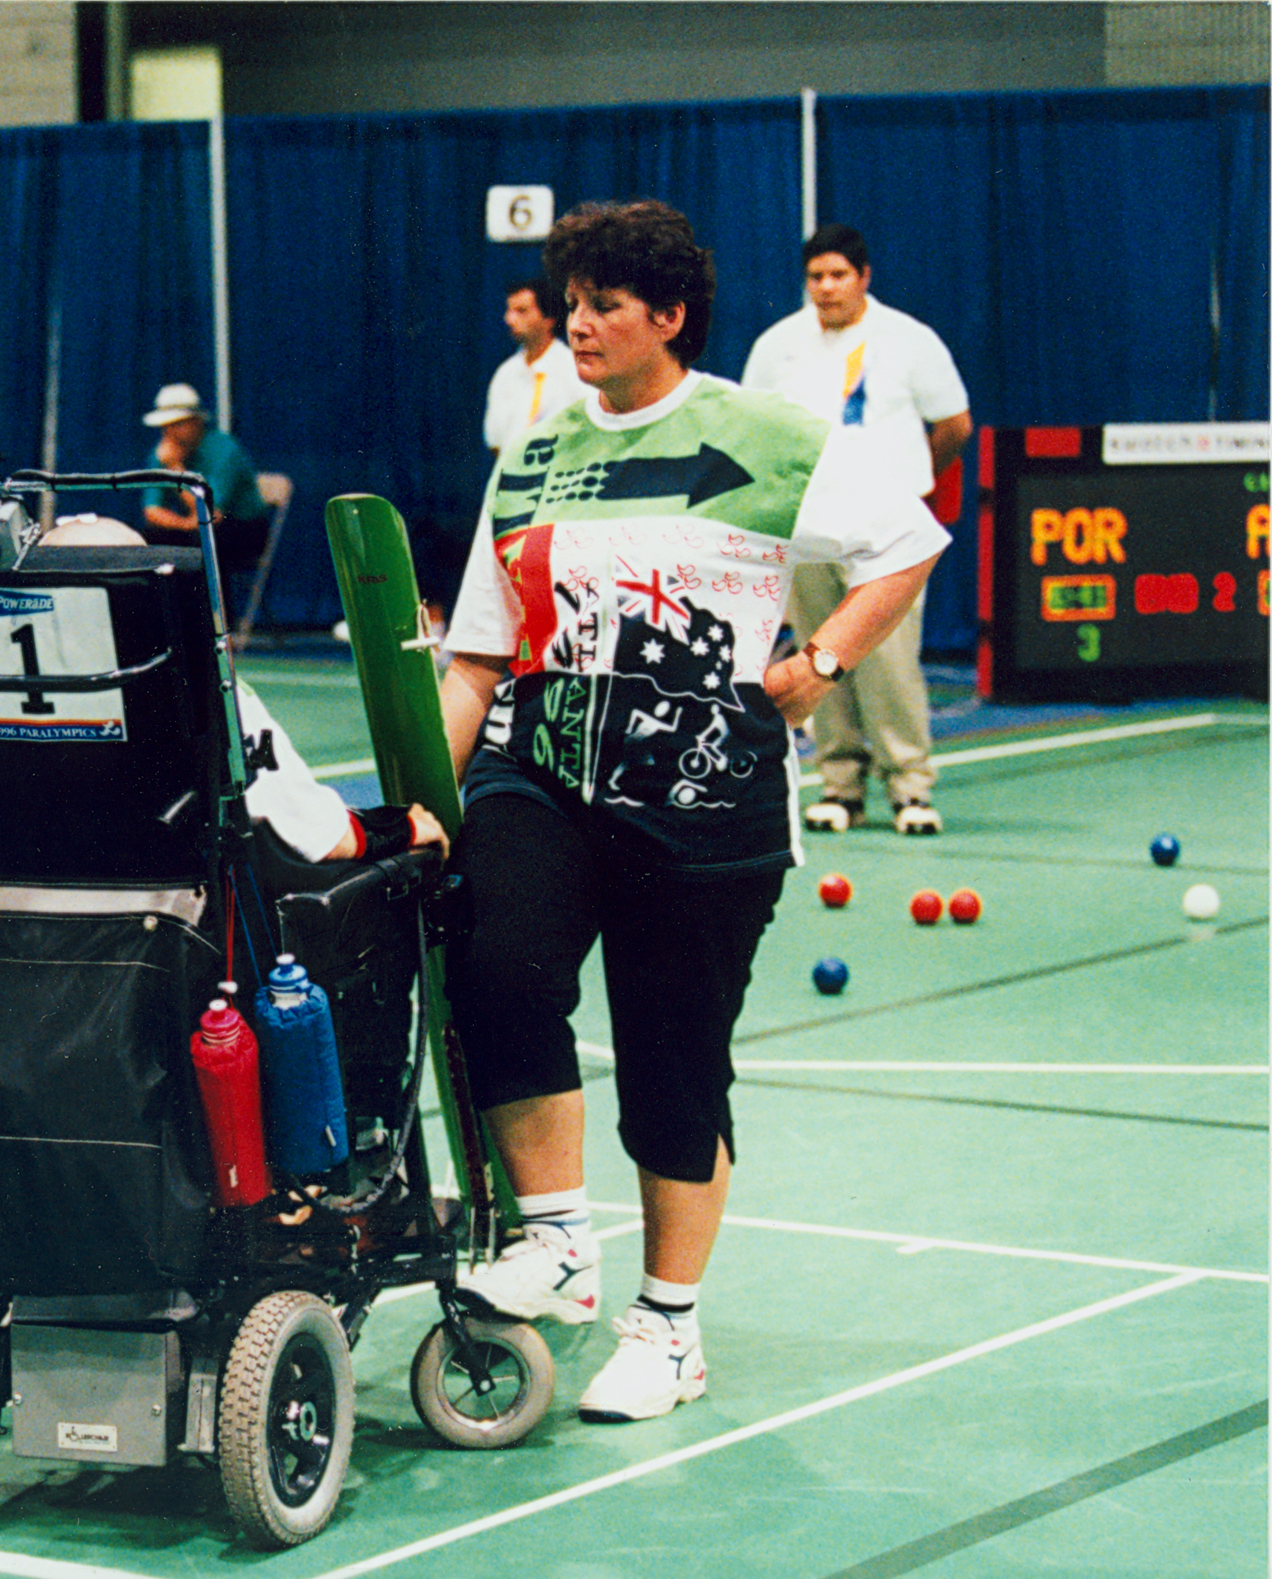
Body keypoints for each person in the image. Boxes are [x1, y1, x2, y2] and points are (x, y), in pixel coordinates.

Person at [437, 201, 946, 1423]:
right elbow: (474, 653)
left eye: (606, 305)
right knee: (491, 965)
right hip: (540, 768)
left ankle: (667, 1328)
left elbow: (905, 541)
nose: (580, 325)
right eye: (572, 304)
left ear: (668, 316)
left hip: (702, 800)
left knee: (671, 1071)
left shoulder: (765, 434)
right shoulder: (536, 453)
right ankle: (557, 1235)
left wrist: (818, 662)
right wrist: (419, 802)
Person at [0, 513, 449, 1221]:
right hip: (132, 1050)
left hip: (46, 1055)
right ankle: (10, 1238)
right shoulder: (210, 700)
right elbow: (326, 837)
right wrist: (400, 830)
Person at [742, 223, 971, 836]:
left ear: (864, 277)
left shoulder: (910, 340)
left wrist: (905, 486)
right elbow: (754, 430)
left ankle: (910, 787)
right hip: (810, 522)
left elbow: (953, 425)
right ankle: (839, 785)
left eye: (838, 275)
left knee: (888, 655)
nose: (826, 287)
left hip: (888, 527)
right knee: (820, 649)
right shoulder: (777, 345)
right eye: (815, 276)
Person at [139, 383, 272, 579]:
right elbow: (152, 510)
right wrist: (184, 524)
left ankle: (212, 610)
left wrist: (176, 469)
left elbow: (210, 512)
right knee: (147, 539)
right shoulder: (163, 453)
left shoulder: (225, 450)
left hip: (243, 527)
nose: (170, 433)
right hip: (194, 526)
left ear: (197, 421)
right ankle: (164, 608)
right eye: (165, 427)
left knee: (201, 544)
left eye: (177, 424)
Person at [482, 276, 589, 459]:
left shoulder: (575, 370)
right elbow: (495, 442)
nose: (509, 319)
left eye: (521, 311)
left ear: (549, 319)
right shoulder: (506, 373)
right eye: (509, 310)